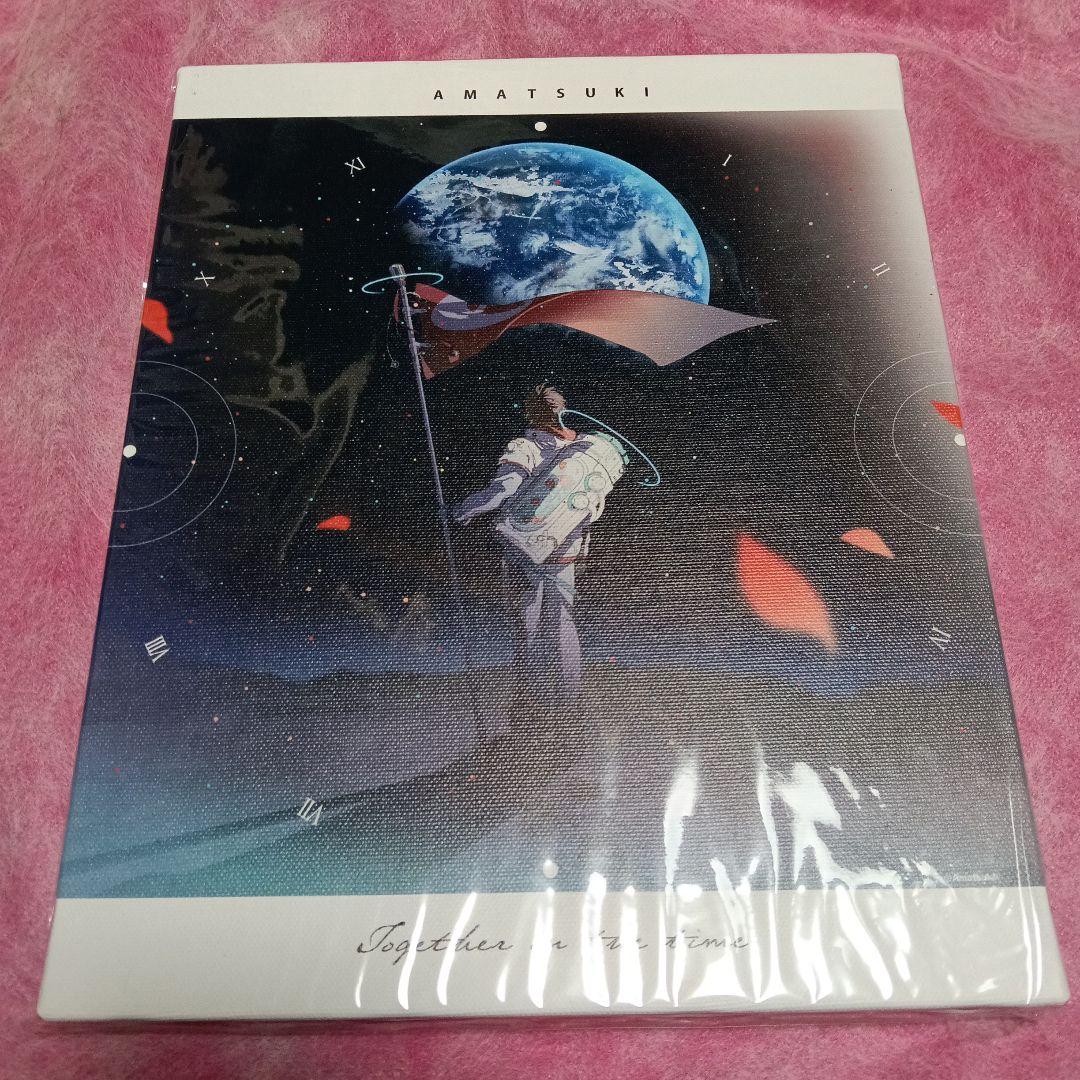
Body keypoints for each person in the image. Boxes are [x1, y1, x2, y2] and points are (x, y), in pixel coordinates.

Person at [452, 384, 594, 715]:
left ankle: (534, 697)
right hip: (568, 549)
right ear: (563, 409)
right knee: (561, 619)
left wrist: (459, 512)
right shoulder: (584, 448)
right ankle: (569, 698)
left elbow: (503, 491)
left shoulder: (525, 447)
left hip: (524, 550)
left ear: (532, 412)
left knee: (527, 621)